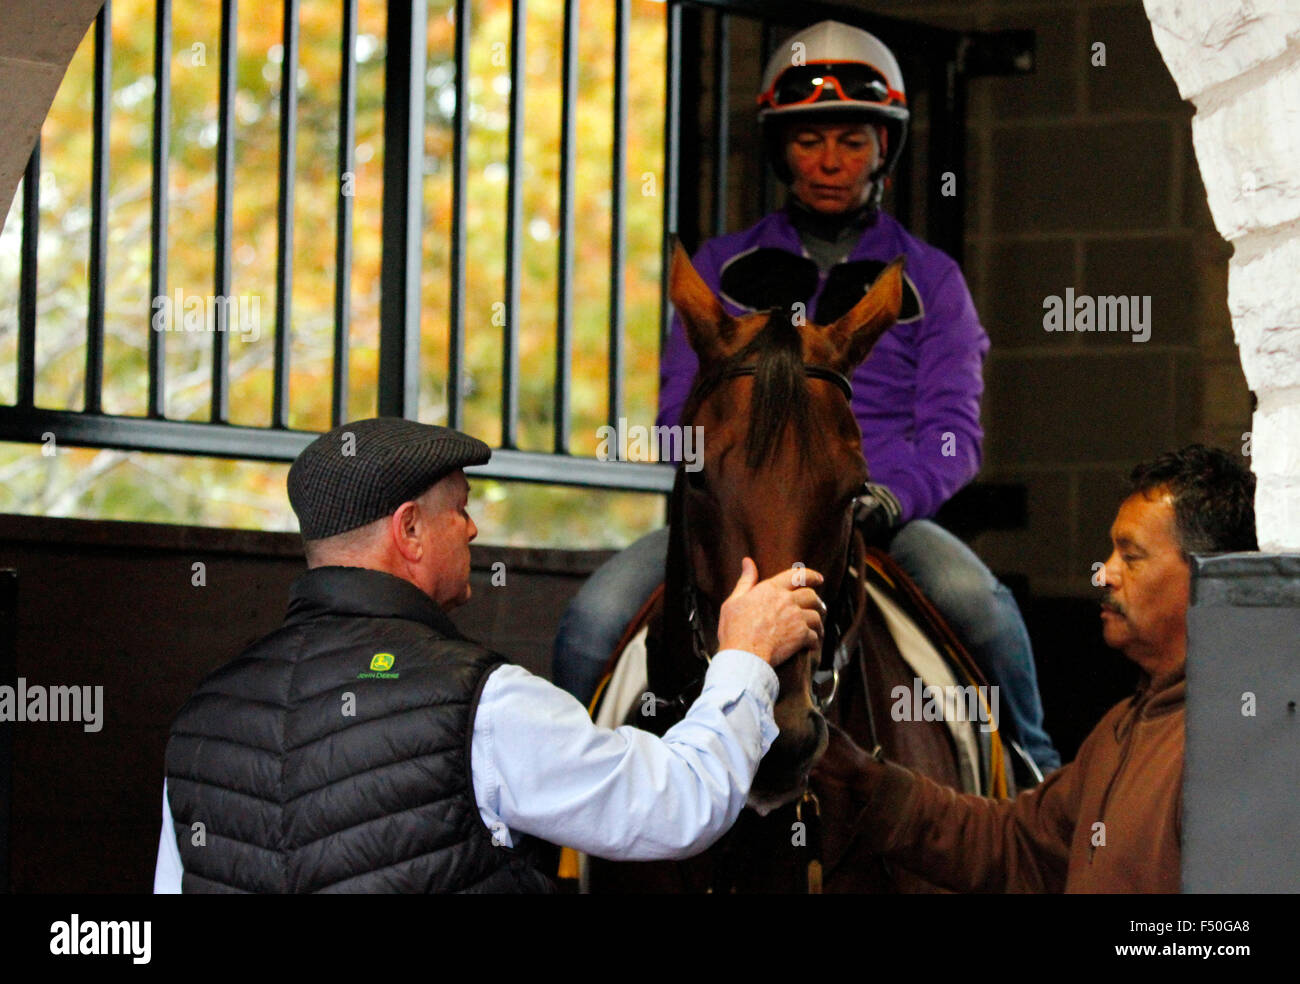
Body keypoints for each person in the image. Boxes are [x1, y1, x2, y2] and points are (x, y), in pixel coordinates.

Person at [554, 19, 1060, 773]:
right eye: (808, 140)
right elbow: (675, 415)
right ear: (779, 149)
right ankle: (553, 817)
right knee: (593, 620)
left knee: (985, 608)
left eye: (851, 140)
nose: (829, 161)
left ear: (884, 148)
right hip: (737, 513)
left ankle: (1034, 773)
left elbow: (953, 432)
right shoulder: (720, 270)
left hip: (877, 514)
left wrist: (892, 498)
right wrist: (726, 483)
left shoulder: (935, 280)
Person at [153, 417, 826, 893]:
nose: (472, 527)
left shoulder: (203, 717)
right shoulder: (483, 704)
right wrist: (746, 656)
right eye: (460, 509)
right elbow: (676, 806)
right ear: (409, 530)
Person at [812, 445, 1257, 892]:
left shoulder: (1235, 749)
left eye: (1132, 556)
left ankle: (1026, 754)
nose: (1102, 574)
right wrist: (864, 784)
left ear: (1209, 577)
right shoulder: (1119, 730)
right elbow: (1016, 843)